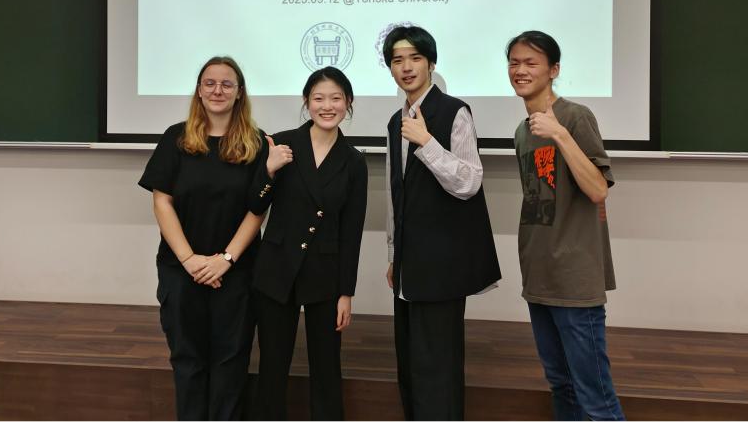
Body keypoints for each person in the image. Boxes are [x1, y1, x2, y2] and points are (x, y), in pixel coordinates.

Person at [138, 55, 277, 421]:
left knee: (231, 361)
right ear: (199, 91)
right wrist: (190, 260)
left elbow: (257, 210)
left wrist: (224, 260)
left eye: (227, 84)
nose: (218, 90)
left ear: (239, 92)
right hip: (180, 269)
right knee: (188, 360)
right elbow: (162, 201)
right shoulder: (176, 138)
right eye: (210, 83)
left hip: (237, 271)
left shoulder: (257, 144)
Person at [382, 25, 501, 420]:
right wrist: (393, 254)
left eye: (415, 58)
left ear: (431, 63)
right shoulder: (394, 121)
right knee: (410, 364)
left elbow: (469, 182)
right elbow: (396, 194)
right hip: (409, 263)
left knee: (438, 364)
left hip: (443, 262)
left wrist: (427, 142)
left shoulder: (455, 111)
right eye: (397, 60)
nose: (406, 67)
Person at [506, 30, 625, 421]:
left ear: (553, 70)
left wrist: (559, 134)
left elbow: (597, 189)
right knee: (561, 385)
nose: (521, 70)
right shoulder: (522, 131)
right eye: (514, 62)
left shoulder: (575, 117)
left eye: (531, 62)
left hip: (574, 277)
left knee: (595, 396)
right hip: (539, 274)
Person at [252, 67, 368, 420]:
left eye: (336, 98)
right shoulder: (281, 144)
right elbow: (253, 204)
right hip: (277, 269)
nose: (327, 106)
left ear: (348, 103)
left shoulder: (354, 161)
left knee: (326, 366)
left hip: (325, 274)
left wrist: (346, 292)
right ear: (307, 102)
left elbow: (352, 232)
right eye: (318, 98)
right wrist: (268, 171)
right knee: (272, 365)